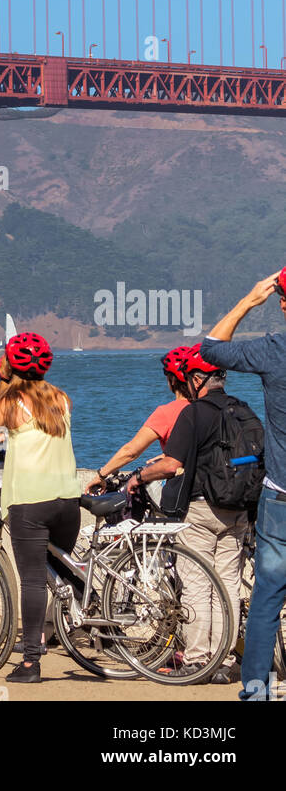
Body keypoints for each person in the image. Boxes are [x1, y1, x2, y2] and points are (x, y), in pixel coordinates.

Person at [0, 332, 80, 684]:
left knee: (31, 581)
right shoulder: (62, 399)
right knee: (57, 572)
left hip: (31, 501)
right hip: (67, 500)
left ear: (11, 366)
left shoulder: (9, 402)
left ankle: (30, 662)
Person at [128, 344, 252, 684]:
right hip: (237, 511)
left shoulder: (194, 413)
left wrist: (138, 477)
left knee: (197, 584)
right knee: (226, 585)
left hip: (199, 509)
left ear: (197, 379)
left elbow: (171, 464)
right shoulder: (243, 409)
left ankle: (198, 660)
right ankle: (224, 661)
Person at [199, 270, 286, 700]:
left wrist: (250, 300)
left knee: (268, 599)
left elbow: (211, 349)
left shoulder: (275, 350)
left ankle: (256, 692)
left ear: (283, 303)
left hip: (281, 500)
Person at [90, 346, 192, 484]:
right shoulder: (208, 408)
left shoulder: (167, 412)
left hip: (182, 489)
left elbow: (130, 452)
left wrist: (100, 475)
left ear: (172, 380)